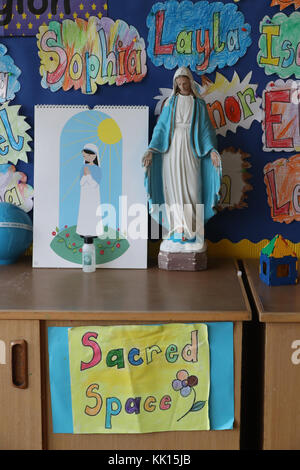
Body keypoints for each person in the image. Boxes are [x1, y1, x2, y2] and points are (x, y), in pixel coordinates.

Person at [142, 66, 221, 251]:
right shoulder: (171, 103)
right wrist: (151, 149)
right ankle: (178, 231)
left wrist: (211, 151)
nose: (183, 85)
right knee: (174, 190)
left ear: (190, 82)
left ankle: (194, 231)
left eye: (185, 82)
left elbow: (206, 130)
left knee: (193, 188)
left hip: (191, 149)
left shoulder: (198, 104)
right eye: (179, 83)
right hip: (172, 149)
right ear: (176, 84)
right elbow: (161, 128)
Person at [76, 143, 103, 237]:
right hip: (85, 195)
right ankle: (83, 230)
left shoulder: (97, 169)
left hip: (94, 195)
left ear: (94, 155)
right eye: (84, 156)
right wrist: (85, 176)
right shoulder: (83, 167)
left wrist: (88, 175)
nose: (85, 158)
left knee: (93, 211)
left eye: (87, 155)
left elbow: (95, 184)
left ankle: (94, 231)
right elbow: (81, 182)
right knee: (85, 211)